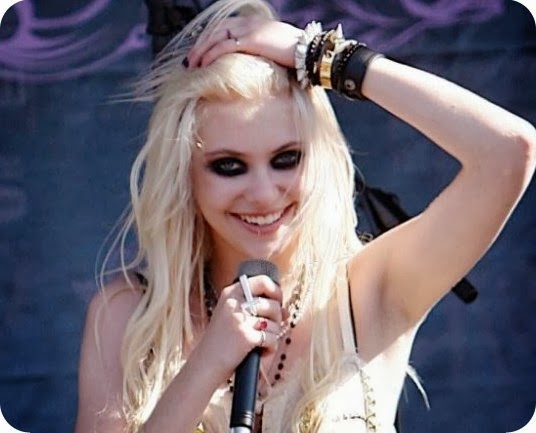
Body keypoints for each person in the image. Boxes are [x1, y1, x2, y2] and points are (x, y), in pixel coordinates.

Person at [74, 0, 536, 432]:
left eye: (287, 159)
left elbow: (509, 152)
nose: (263, 194)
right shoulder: (124, 318)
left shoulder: (372, 289)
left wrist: (320, 54)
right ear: (184, 176)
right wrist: (206, 365)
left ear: (319, 158)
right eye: (229, 166)